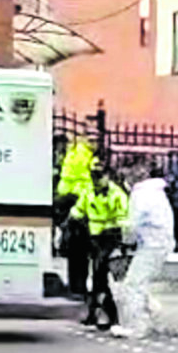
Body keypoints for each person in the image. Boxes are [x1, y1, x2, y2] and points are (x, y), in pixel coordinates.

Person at [111, 162, 175, 340]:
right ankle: (153, 317)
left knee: (133, 284)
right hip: (161, 243)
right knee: (141, 282)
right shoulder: (157, 193)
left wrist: (123, 240)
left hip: (151, 244)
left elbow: (132, 224)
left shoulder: (140, 195)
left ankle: (136, 326)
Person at [81, 163, 129, 329]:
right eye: (93, 175)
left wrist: (119, 238)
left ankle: (108, 315)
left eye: (99, 175)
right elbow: (79, 209)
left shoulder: (116, 194)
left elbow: (123, 216)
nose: (96, 179)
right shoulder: (88, 191)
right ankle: (98, 315)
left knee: (99, 276)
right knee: (96, 278)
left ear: (107, 176)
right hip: (94, 238)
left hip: (110, 237)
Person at [56, 138, 96, 299]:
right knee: (82, 253)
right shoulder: (85, 156)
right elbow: (87, 182)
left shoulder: (72, 155)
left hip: (69, 200)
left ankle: (76, 287)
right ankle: (80, 288)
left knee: (75, 254)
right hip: (80, 203)